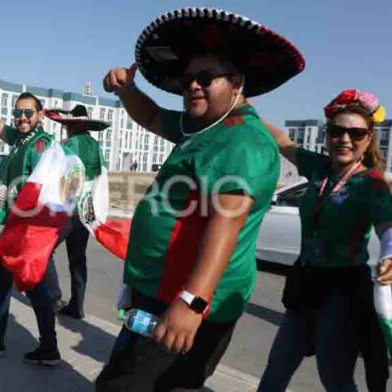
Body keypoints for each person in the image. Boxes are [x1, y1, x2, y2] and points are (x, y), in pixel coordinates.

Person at [96, 7, 305, 391]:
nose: (193, 86)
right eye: (188, 78)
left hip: (185, 296)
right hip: (160, 289)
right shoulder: (206, 126)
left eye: (206, 77)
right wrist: (127, 90)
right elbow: (154, 117)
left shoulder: (240, 140)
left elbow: (226, 223)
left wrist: (191, 302)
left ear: (237, 82)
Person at [258, 90, 392, 392]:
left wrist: (390, 253)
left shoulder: (371, 182)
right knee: (276, 368)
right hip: (304, 283)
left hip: (342, 292)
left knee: (335, 378)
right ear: (326, 134)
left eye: (356, 133)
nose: (345, 139)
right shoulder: (318, 168)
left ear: (368, 139)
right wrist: (240, 102)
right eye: (337, 130)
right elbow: (281, 141)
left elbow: (387, 226)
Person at [0, 92, 69, 366]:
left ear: (40, 114)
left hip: (30, 232)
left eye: (27, 113)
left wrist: (30, 236)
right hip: (17, 228)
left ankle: (44, 346)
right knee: (2, 283)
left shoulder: (40, 146)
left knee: (36, 291)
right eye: (18, 113)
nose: (21, 118)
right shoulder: (23, 139)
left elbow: (43, 192)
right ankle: (2, 340)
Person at [45, 104, 109, 320]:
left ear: (74, 125)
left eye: (68, 125)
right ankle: (77, 306)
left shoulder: (69, 144)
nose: (66, 128)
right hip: (85, 213)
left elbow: (60, 176)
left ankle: (53, 298)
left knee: (45, 251)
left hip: (67, 211)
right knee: (78, 259)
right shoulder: (95, 145)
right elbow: (99, 176)